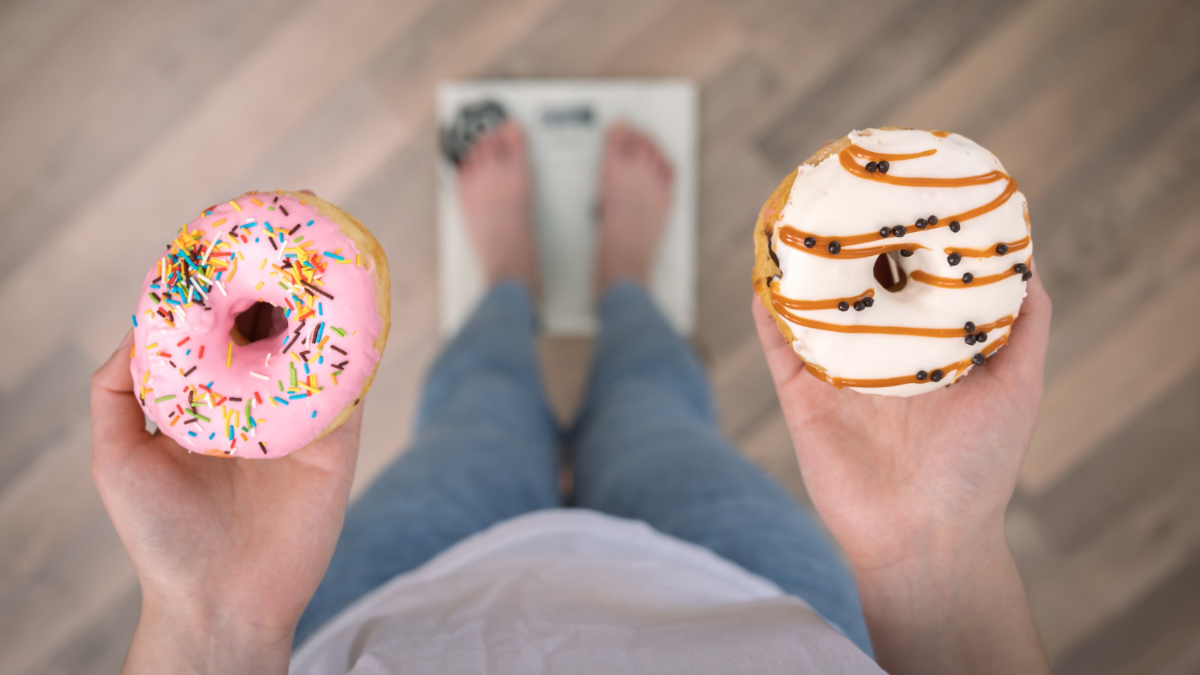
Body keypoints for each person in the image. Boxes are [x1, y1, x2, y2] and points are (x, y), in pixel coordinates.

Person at [92, 121, 1053, 674]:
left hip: (372, 612)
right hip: (758, 603)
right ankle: (616, 271)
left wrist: (212, 616)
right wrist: (931, 551)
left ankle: (517, 270)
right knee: (656, 404)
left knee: (478, 404)